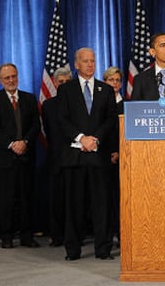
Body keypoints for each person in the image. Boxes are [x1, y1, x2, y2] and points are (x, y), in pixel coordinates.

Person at [57, 48, 117, 261]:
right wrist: (82, 138)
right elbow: (61, 120)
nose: (90, 64)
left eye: (93, 61)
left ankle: (103, 249)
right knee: (74, 206)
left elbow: (111, 120)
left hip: (99, 156)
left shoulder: (106, 90)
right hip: (75, 157)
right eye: (85, 61)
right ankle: (72, 250)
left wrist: (95, 139)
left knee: (102, 206)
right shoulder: (66, 90)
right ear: (76, 64)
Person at [0, 63, 40, 249]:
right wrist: (11, 144)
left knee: (27, 198)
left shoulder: (29, 99)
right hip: (4, 158)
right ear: (1, 80)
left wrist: (24, 142)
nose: (11, 80)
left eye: (13, 76)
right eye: (7, 78)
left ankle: (26, 236)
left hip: (26, 156)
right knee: (5, 199)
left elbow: (35, 126)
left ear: (18, 77)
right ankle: (6, 236)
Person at [41, 67, 72, 247]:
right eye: (61, 82)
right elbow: (48, 131)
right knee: (56, 200)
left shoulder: (79, 103)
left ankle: (75, 234)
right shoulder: (48, 105)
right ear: (54, 83)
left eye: (67, 82)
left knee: (74, 200)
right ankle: (57, 234)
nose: (64, 85)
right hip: (55, 158)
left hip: (74, 157)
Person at [103, 66, 124, 245]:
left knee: (121, 199)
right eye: (111, 80)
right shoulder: (100, 103)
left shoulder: (127, 105)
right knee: (106, 199)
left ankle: (123, 234)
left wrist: (119, 152)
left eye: (117, 80)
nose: (115, 83)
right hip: (103, 157)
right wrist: (108, 152)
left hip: (124, 158)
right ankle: (107, 236)